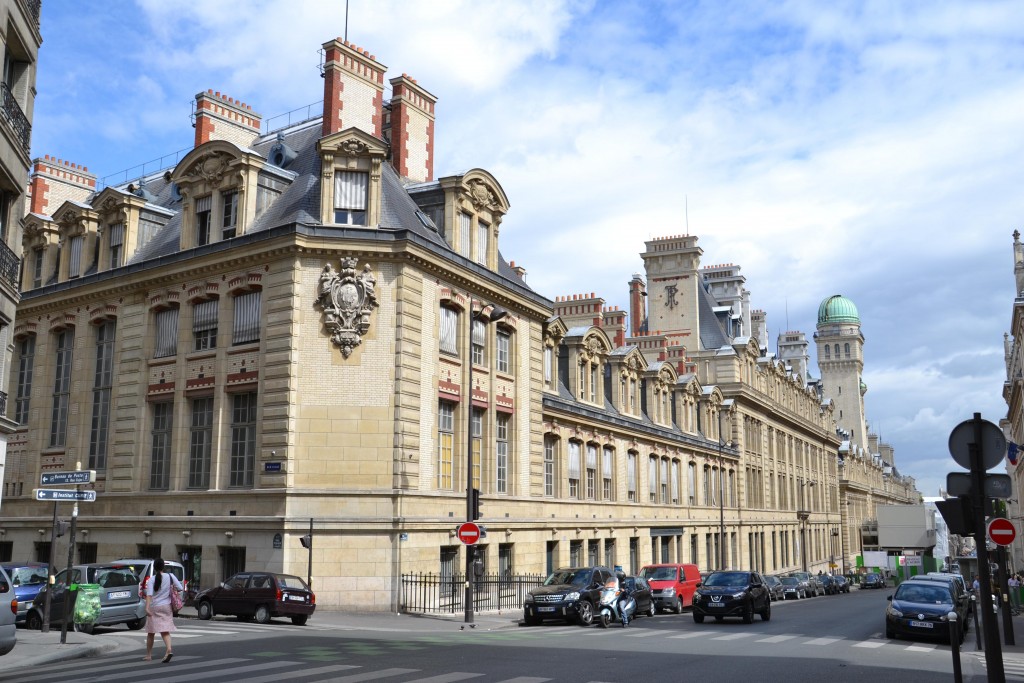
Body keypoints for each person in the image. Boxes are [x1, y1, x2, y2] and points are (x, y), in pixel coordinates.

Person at [143, 558, 183, 663]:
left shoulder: (151, 579)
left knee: (151, 632)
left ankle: (148, 655)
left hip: (155, 606)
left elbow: (149, 595)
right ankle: (169, 649)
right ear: (163, 567)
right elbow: (180, 587)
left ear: (155, 568)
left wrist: (147, 607)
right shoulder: (170, 576)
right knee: (165, 630)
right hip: (166, 606)